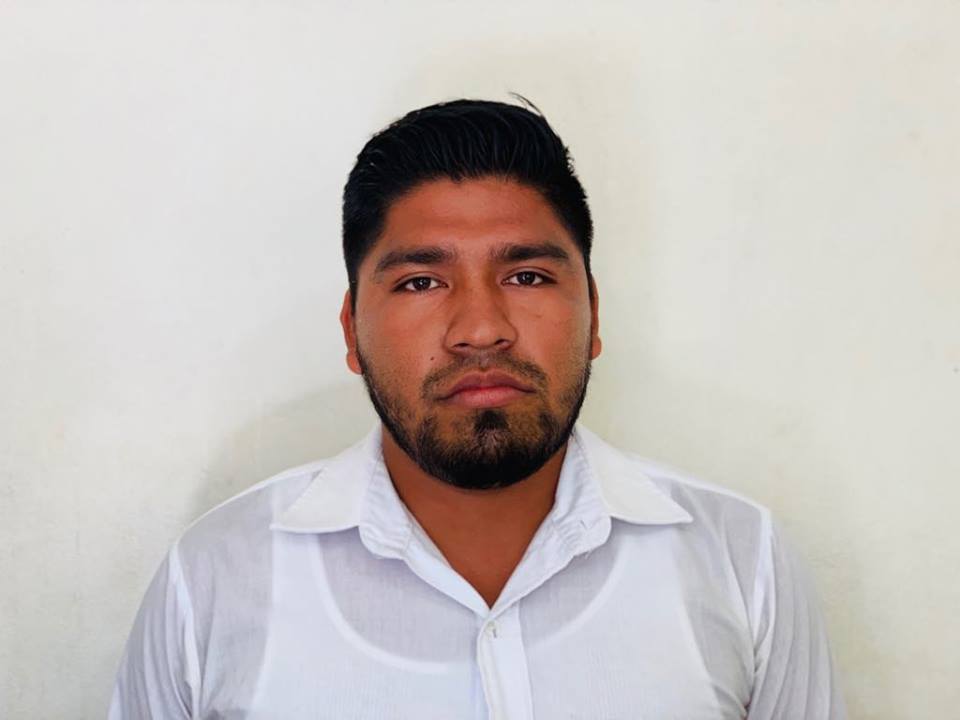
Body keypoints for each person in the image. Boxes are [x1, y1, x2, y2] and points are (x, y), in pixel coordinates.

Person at [110, 98, 846, 719]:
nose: (481, 329)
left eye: (526, 275)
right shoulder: (213, 579)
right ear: (351, 332)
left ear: (593, 314)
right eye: (421, 283)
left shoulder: (740, 561)